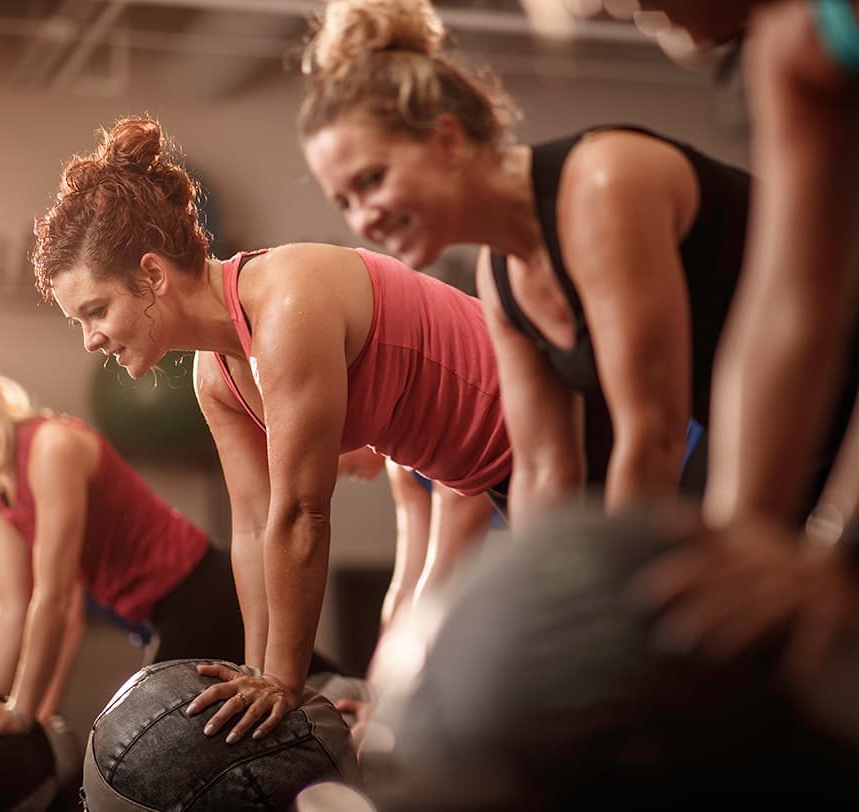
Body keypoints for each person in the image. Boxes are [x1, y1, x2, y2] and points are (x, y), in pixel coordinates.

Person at [29, 116, 512, 743]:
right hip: (500, 477)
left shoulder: (285, 301)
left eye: (96, 311)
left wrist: (284, 683)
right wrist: (254, 674)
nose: (92, 339)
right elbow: (254, 528)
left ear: (152, 276)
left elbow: (302, 513)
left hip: (567, 429)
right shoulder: (214, 375)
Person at [297, 0, 771, 532]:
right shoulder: (502, 281)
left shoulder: (602, 186)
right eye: (344, 202)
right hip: (765, 426)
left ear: (448, 139)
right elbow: (545, 472)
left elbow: (652, 435)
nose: (364, 218)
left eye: (371, 180)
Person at [600, 0, 859, 675]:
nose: (595, 6)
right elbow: (787, 306)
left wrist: (835, 549)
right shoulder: (791, 47)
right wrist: (734, 560)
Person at [0, 347, 273, 752]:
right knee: (306, 687)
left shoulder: (51, 448)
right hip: (163, 611)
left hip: (202, 590)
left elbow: (55, 596)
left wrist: (21, 712)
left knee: (153, 746)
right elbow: (13, 605)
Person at [338, 446, 498, 634]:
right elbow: (406, 583)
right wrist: (383, 655)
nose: (335, 474)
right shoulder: (401, 468)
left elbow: (442, 581)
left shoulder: (454, 452)